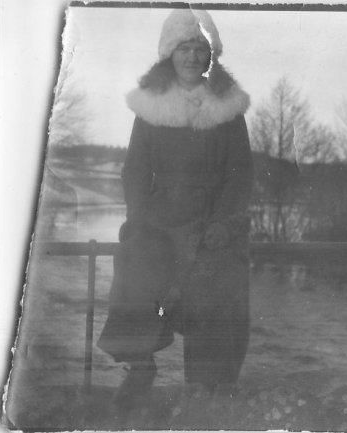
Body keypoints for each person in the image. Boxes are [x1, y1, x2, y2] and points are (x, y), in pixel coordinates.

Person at [97, 8, 253, 411]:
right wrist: (139, 218)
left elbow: (240, 175)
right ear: (170, 53)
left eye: (200, 49)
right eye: (184, 48)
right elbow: (135, 170)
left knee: (217, 286)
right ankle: (139, 366)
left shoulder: (228, 107)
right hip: (159, 218)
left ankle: (205, 390)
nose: (191, 57)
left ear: (210, 56)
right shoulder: (152, 106)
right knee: (136, 268)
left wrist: (224, 222)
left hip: (212, 219)